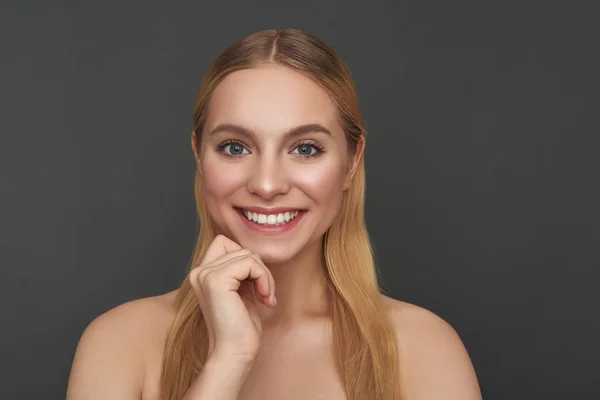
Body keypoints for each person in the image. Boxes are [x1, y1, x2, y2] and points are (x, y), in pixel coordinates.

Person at [66, 28, 482, 400]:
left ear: (352, 162)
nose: (267, 185)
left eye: (305, 149)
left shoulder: (422, 348)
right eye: (234, 147)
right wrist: (227, 361)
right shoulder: (120, 343)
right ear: (199, 155)